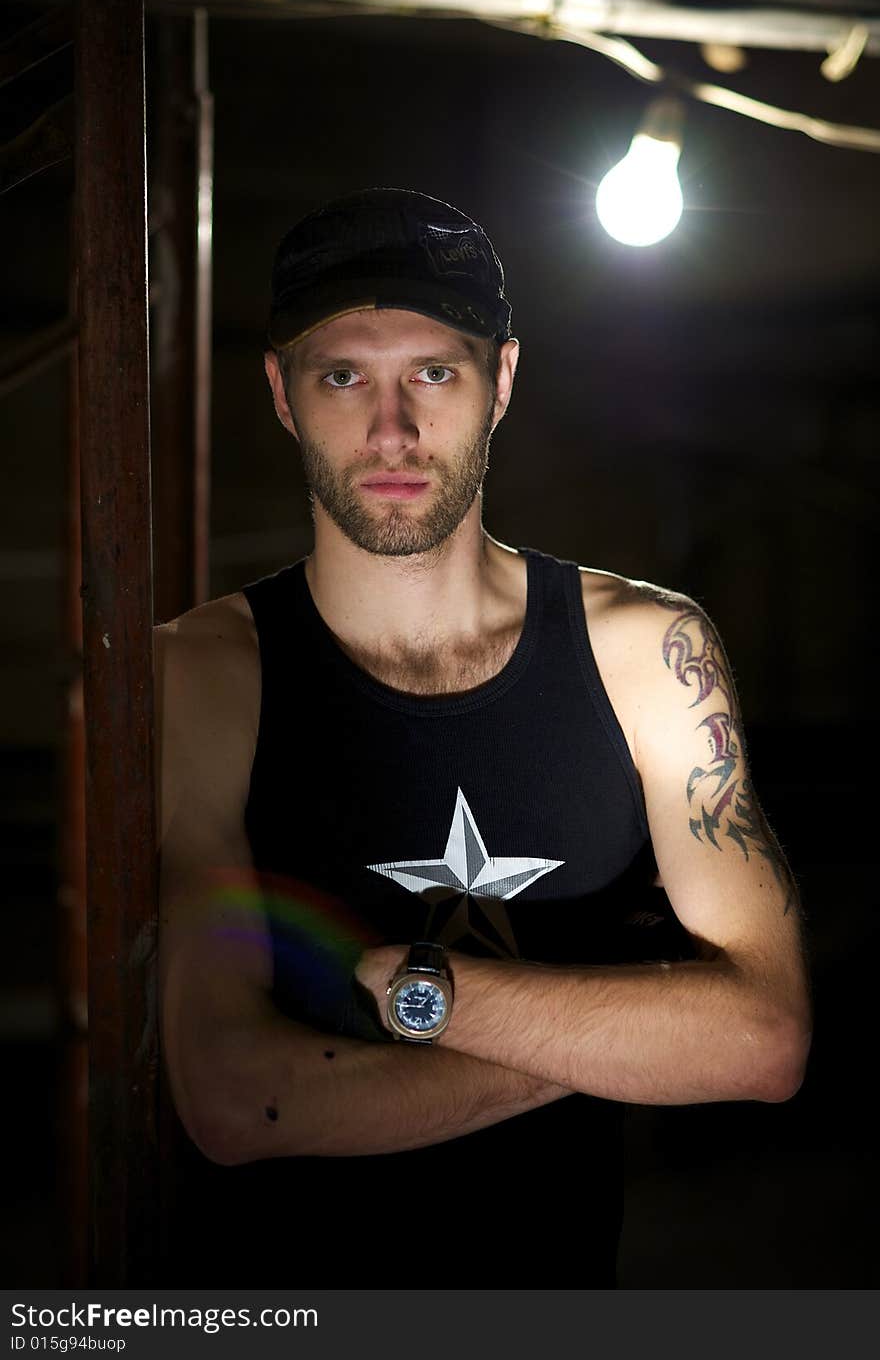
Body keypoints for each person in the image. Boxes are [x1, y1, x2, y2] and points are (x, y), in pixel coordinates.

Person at [155, 187, 811, 1288]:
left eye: (434, 372)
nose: (391, 431)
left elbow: (762, 1040)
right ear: (280, 392)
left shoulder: (647, 653)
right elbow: (237, 1098)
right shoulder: (201, 674)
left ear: (501, 380)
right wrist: (615, 1025)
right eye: (342, 375)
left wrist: (426, 993)